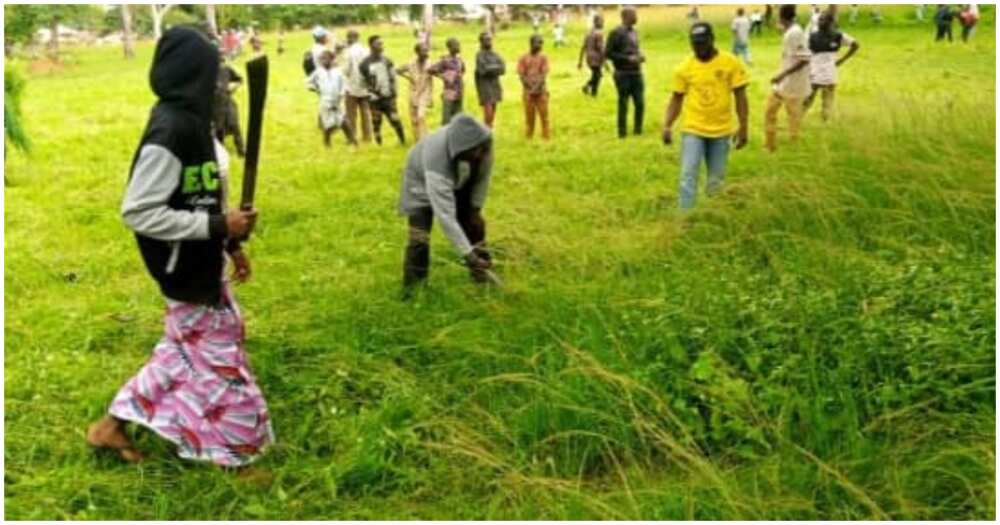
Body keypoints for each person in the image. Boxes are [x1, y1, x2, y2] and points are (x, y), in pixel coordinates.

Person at [87, 26, 272, 468]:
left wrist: (230, 242)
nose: (218, 85)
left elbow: (205, 195)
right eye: (211, 75)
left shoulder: (195, 124)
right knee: (221, 363)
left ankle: (110, 427)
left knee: (182, 349)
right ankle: (235, 453)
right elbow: (137, 211)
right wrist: (215, 225)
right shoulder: (169, 131)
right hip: (181, 267)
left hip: (201, 262)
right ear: (192, 75)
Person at [398, 114, 495, 291]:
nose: (479, 155)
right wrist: (468, 255)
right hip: (419, 180)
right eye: (474, 153)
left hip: (459, 175)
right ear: (461, 150)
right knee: (419, 237)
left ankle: (483, 277)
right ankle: (414, 289)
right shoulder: (437, 159)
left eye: (480, 151)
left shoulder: (484, 143)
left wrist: (474, 209)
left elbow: (482, 178)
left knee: (474, 223)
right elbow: (445, 216)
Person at [662, 22, 749, 210]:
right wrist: (667, 125)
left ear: (712, 40)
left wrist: (743, 127)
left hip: (721, 131)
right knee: (688, 174)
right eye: (695, 44)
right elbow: (676, 99)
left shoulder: (730, 63)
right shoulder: (684, 68)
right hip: (693, 129)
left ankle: (712, 213)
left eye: (702, 43)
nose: (698, 47)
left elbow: (741, 97)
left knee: (716, 179)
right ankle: (685, 217)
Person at [764, 5, 811, 153]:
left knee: (780, 114)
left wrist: (782, 75)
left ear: (781, 15)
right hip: (786, 82)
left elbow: (804, 59)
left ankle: (779, 147)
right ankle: (772, 145)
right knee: (776, 112)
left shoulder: (795, 33)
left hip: (791, 83)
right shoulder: (792, 31)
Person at [803, 10, 859, 121]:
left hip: (830, 74)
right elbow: (805, 54)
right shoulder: (812, 36)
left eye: (822, 19)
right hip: (814, 72)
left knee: (827, 101)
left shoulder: (838, 35)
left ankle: (825, 121)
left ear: (830, 22)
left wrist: (842, 60)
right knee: (808, 99)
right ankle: (798, 119)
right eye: (819, 19)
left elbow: (855, 45)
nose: (819, 22)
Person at [606, 6, 645, 139]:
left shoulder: (635, 32)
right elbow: (608, 53)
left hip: (636, 72)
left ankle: (638, 130)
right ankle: (622, 132)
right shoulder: (616, 33)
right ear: (625, 16)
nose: (636, 17)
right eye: (634, 14)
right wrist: (627, 58)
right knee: (623, 103)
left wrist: (639, 56)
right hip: (623, 73)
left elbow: (635, 49)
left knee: (640, 102)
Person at [359, 35, 406, 146]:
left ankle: (402, 141)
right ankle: (379, 143)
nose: (381, 46)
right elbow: (362, 82)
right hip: (374, 99)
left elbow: (393, 77)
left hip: (388, 97)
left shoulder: (387, 61)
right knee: (376, 122)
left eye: (382, 44)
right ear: (371, 46)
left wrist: (394, 92)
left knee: (395, 119)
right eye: (378, 44)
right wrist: (369, 94)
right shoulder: (364, 64)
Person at [306, 50, 357, 148]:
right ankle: (327, 142)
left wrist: (341, 95)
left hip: (338, 100)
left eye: (326, 58)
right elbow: (309, 82)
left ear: (332, 59)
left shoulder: (338, 72)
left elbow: (344, 84)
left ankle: (353, 140)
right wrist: (315, 88)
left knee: (343, 121)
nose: (323, 61)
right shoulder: (318, 72)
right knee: (328, 123)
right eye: (321, 59)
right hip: (325, 101)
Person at [396, 42, 435, 141]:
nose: (426, 53)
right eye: (424, 51)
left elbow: (438, 72)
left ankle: (425, 139)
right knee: (414, 119)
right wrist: (409, 78)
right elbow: (397, 70)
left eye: (427, 50)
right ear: (417, 52)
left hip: (425, 92)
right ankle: (417, 140)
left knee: (421, 116)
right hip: (413, 92)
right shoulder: (411, 63)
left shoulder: (430, 63)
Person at [518, 34, 551, 140]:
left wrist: (536, 88)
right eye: (538, 42)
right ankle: (529, 139)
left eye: (542, 43)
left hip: (541, 91)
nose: (541, 45)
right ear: (531, 43)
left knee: (544, 118)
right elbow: (521, 76)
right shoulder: (523, 58)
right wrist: (529, 88)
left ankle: (546, 138)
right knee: (529, 119)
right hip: (528, 92)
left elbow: (543, 75)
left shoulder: (543, 57)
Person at [343, 29, 374, 144]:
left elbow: (346, 70)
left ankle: (352, 137)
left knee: (351, 113)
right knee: (365, 112)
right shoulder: (366, 50)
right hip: (365, 86)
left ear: (350, 38)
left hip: (352, 87)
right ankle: (367, 136)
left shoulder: (349, 52)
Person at [213, 52, 244, 157]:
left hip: (227, 100)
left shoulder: (226, 69)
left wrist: (233, 87)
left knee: (234, 124)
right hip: (214, 104)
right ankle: (220, 152)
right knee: (219, 128)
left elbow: (240, 79)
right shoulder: (207, 72)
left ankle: (241, 150)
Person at [429, 38, 466, 125]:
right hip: (449, 92)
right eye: (456, 45)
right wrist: (443, 76)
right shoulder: (445, 60)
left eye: (459, 45)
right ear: (449, 47)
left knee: (458, 117)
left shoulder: (459, 60)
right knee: (446, 118)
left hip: (459, 91)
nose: (458, 47)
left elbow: (463, 70)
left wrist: (458, 76)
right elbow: (431, 70)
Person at [475, 32, 506, 128]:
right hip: (484, 87)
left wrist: (490, 67)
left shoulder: (495, 54)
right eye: (486, 40)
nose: (489, 42)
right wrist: (495, 67)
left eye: (490, 39)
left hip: (495, 85)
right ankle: (486, 131)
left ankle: (489, 131)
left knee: (493, 111)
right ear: (481, 42)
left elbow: (503, 69)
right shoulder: (479, 55)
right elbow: (482, 70)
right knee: (488, 113)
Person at [578, 13, 610, 96]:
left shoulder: (588, 33)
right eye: (601, 21)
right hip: (596, 59)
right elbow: (601, 48)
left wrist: (580, 61)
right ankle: (589, 88)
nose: (603, 23)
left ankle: (592, 92)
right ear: (596, 22)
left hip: (589, 58)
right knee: (597, 75)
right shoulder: (599, 33)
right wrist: (605, 62)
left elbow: (583, 47)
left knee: (596, 75)